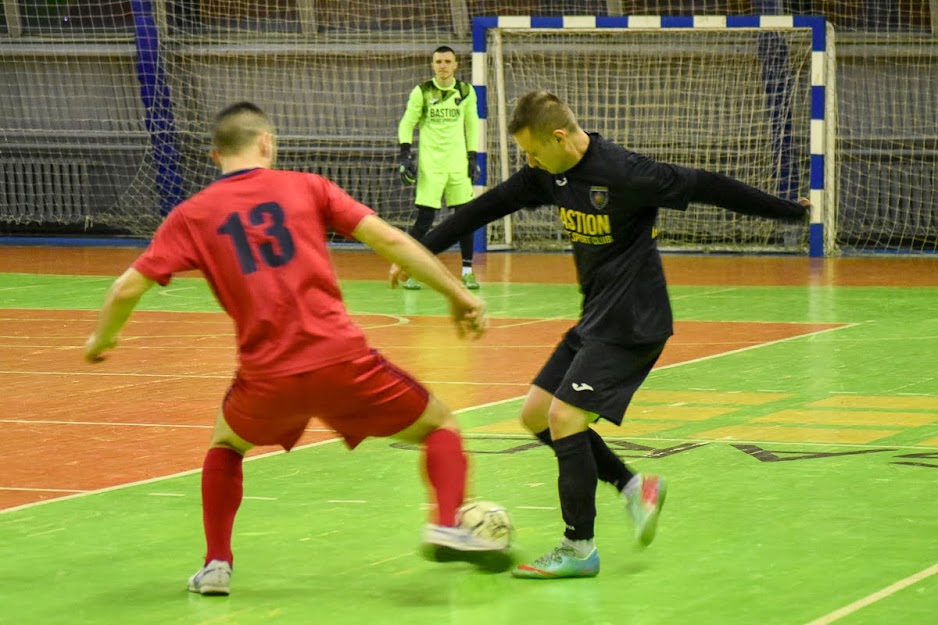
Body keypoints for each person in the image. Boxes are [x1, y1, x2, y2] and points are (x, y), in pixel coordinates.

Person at [83, 102, 511, 596]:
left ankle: (216, 564)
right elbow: (390, 240)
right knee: (440, 425)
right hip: (343, 361)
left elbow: (125, 289)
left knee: (226, 445)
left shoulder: (191, 215)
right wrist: (458, 295)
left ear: (214, 156)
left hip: (266, 377)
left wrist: (103, 340)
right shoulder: (308, 186)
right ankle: (445, 522)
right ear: (266, 143)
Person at [391, 91, 811, 579]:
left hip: (634, 321)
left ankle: (579, 547)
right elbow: (484, 208)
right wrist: (418, 250)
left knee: (565, 416)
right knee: (535, 415)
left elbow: (708, 186)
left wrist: (789, 212)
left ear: (560, 136)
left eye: (532, 151)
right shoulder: (547, 174)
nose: (528, 162)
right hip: (596, 320)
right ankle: (636, 488)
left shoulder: (626, 172)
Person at [397, 45, 482, 291]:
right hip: (430, 166)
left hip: (457, 165)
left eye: (447, 61)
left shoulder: (466, 92)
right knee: (425, 219)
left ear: (456, 65)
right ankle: (410, 270)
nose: (443, 65)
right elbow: (407, 123)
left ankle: (467, 271)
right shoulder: (421, 92)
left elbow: (472, 125)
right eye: (438, 62)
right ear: (432, 65)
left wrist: (472, 156)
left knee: (466, 217)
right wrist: (405, 155)